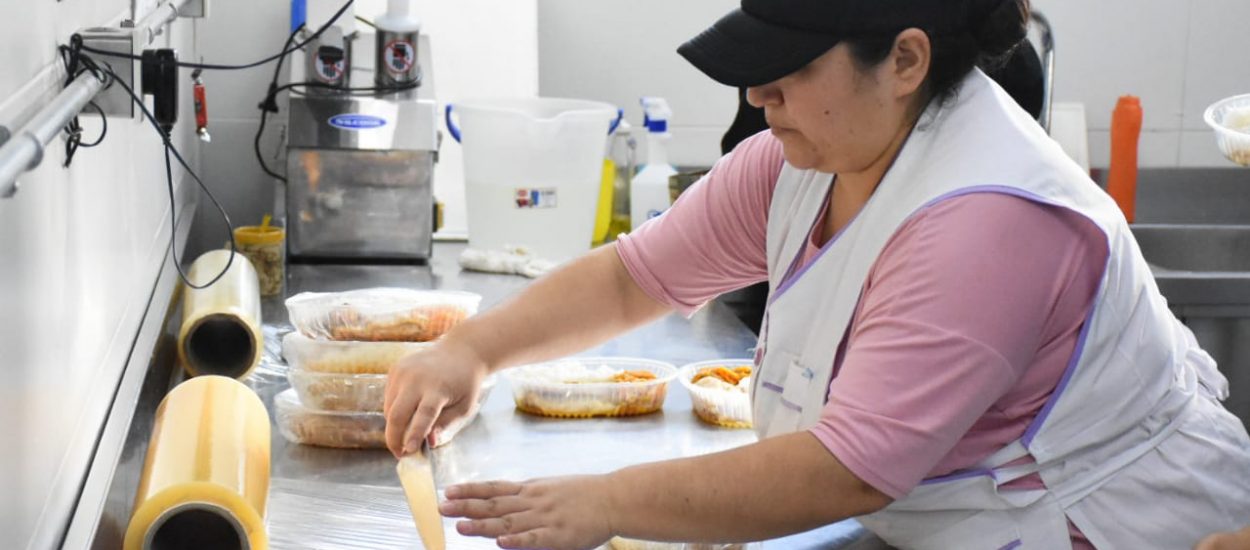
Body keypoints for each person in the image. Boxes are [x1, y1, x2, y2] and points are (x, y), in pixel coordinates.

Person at [384, 0, 1250, 548]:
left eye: (792, 69)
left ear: (906, 61)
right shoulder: (806, 158)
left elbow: (849, 469)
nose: (760, 96)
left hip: (1112, 527)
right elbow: (632, 280)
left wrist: (606, 504)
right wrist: (475, 352)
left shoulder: (988, 220)